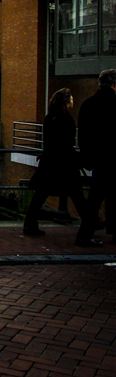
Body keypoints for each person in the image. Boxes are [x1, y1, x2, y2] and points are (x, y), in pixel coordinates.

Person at [23, 88, 94, 242]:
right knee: (77, 195)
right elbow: (66, 144)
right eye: (71, 99)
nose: (73, 102)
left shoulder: (49, 118)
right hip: (64, 164)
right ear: (67, 102)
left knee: (40, 194)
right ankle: (90, 225)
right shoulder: (66, 119)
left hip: (49, 162)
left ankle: (30, 223)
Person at [77, 68, 116, 245]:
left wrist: (87, 157)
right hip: (113, 157)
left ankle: (84, 234)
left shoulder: (88, 104)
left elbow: (83, 135)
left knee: (94, 199)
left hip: (98, 158)